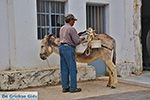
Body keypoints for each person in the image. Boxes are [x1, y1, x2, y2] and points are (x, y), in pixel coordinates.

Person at [59, 14, 84, 93]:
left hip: (61, 48)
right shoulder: (71, 29)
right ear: (71, 20)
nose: (74, 22)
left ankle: (65, 87)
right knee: (72, 69)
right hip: (68, 49)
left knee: (64, 68)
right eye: (73, 21)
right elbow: (76, 41)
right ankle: (73, 88)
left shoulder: (62, 28)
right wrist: (82, 38)